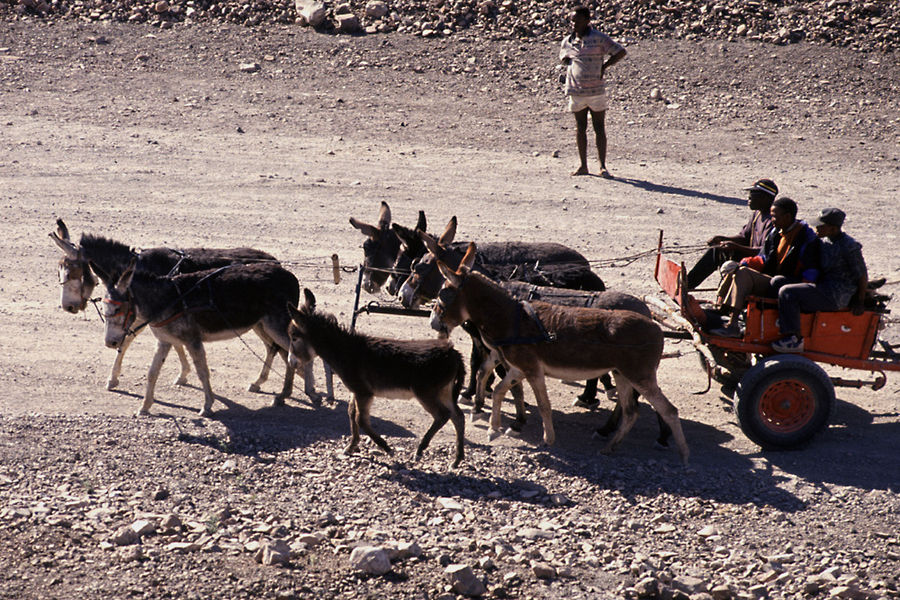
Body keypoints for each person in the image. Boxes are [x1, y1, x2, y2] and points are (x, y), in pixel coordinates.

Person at [711, 197, 820, 338]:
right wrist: (744, 262)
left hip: (787, 284)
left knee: (744, 274)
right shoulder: (777, 233)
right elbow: (763, 259)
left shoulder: (806, 238)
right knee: (739, 270)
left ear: (787, 217)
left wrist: (800, 290)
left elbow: (811, 271)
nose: (772, 220)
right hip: (772, 279)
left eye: (775, 216)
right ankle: (721, 309)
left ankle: (732, 325)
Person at [772, 208, 868, 353]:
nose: (816, 228)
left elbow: (861, 275)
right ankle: (773, 326)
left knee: (788, 292)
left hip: (835, 294)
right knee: (778, 282)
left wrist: (860, 301)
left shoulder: (849, 246)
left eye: (821, 226)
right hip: (823, 286)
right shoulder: (824, 240)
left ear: (833, 229)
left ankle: (795, 339)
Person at [559, 6, 627, 178]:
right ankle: (583, 166)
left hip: (596, 90)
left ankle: (602, 166)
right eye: (572, 20)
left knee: (599, 128)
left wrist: (604, 66)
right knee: (580, 128)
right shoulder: (568, 41)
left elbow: (620, 52)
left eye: (577, 20)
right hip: (576, 91)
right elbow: (566, 59)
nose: (574, 24)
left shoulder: (598, 38)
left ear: (587, 21)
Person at [685, 179, 778, 291]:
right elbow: (744, 237)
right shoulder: (757, 215)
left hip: (762, 266)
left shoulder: (774, 222)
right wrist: (722, 238)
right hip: (751, 258)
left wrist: (735, 247)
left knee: (725, 255)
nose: (749, 197)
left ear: (765, 198)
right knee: (717, 250)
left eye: (753, 194)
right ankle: (687, 284)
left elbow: (764, 253)